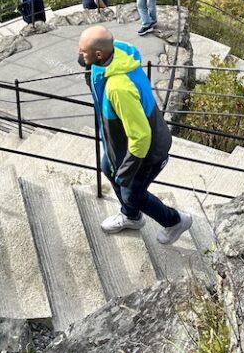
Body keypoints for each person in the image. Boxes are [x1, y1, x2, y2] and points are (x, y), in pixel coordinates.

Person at [77, 25, 192, 244]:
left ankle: (175, 221)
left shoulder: (118, 87)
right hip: (125, 142)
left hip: (147, 153)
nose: (80, 55)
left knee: (132, 193)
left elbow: (140, 136)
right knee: (106, 167)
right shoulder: (118, 53)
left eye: (83, 52)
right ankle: (131, 216)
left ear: (99, 55)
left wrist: (126, 172)